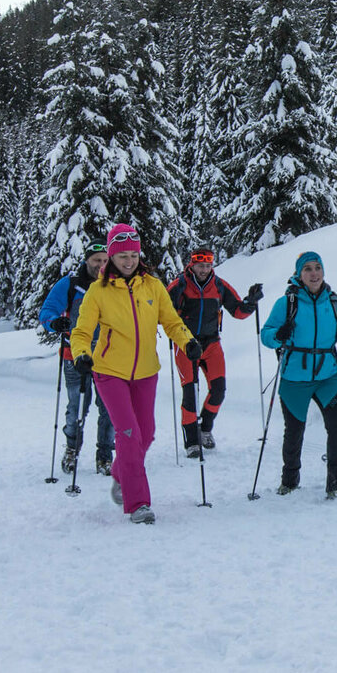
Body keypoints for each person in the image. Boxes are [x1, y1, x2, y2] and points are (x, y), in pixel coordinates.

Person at [70, 224, 201, 525]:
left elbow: (171, 321)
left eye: (133, 254)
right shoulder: (98, 291)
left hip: (145, 371)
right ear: (111, 257)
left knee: (147, 433)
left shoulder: (153, 286)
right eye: (122, 256)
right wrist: (81, 355)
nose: (128, 261)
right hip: (109, 372)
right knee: (128, 434)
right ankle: (138, 503)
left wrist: (187, 341)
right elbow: (81, 332)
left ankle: (120, 472)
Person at [260, 250, 337, 498]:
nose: (314, 274)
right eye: (308, 269)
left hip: (327, 377)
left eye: (317, 268)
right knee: (294, 431)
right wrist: (277, 336)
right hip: (294, 379)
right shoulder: (286, 303)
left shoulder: (334, 303)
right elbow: (265, 334)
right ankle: (289, 481)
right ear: (299, 274)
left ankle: (336, 484)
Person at [166, 246, 263, 456]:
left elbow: (237, 310)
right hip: (186, 345)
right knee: (190, 393)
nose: (204, 270)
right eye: (201, 265)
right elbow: (164, 312)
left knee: (218, 390)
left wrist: (251, 302)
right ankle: (192, 441)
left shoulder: (218, 286)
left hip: (211, 344)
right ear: (192, 264)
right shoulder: (179, 285)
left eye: (208, 265)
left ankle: (205, 429)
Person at [38, 241, 115, 475]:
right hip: (75, 355)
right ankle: (72, 449)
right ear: (87, 261)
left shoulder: (113, 284)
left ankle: (105, 455)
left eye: (105, 261)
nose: (101, 265)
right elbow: (47, 310)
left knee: (110, 408)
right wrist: (54, 323)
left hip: (107, 356)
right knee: (77, 406)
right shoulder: (71, 284)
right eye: (96, 261)